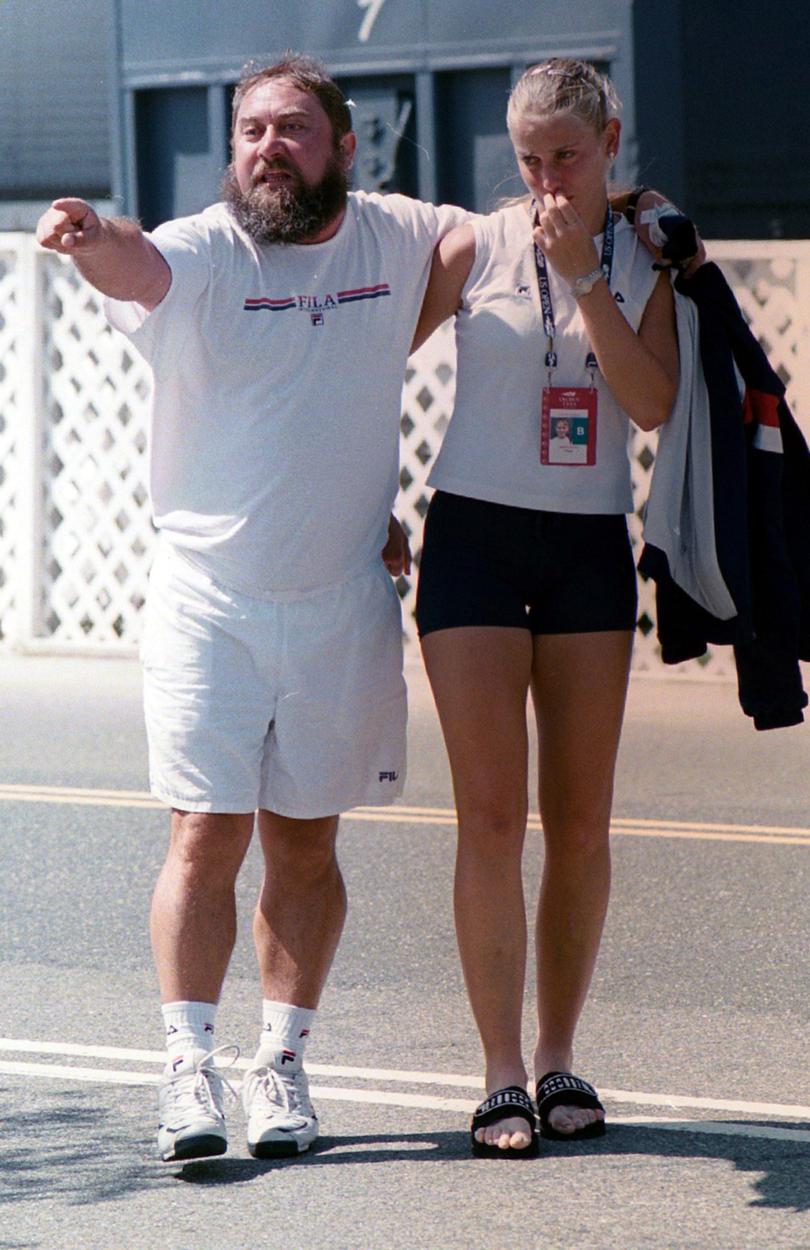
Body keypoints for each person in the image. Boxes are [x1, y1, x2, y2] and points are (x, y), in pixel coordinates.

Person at [36, 52, 468, 1163]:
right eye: (250, 133)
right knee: (206, 835)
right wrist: (92, 234)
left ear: (344, 146)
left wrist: (598, 199)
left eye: (292, 131)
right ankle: (188, 1069)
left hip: (341, 605)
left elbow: (480, 242)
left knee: (306, 845)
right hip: (208, 603)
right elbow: (136, 264)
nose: (268, 149)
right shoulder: (205, 250)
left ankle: (281, 1065)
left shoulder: (393, 231)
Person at [412, 58, 680, 1156]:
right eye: (529, 158)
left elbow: (651, 402)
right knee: (489, 816)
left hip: (585, 548)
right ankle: (500, 1072)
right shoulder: (474, 245)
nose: (547, 178)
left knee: (579, 822)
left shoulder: (649, 251)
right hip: (472, 536)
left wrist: (588, 281)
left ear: (611, 139)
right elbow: (362, 366)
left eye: (566, 154)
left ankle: (561, 1050)